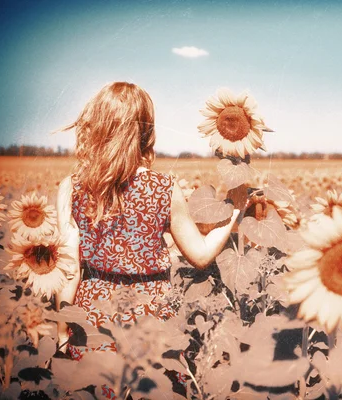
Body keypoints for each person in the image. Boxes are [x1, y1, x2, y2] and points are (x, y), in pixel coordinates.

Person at [54, 81, 246, 395]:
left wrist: (61, 334)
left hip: (92, 319)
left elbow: (69, 270)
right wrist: (235, 210)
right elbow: (199, 255)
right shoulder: (163, 188)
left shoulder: (71, 187)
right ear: (145, 131)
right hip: (152, 317)